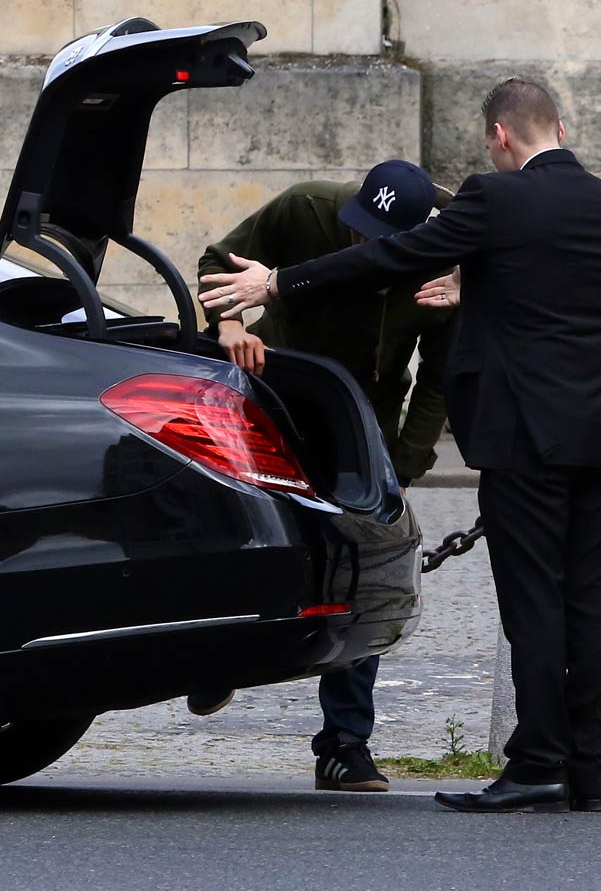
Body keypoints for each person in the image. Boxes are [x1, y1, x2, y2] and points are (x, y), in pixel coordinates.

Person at [201, 79, 601, 814]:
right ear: (562, 126)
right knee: (593, 603)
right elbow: (555, 299)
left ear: (500, 137)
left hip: (524, 435)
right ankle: (589, 769)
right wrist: (475, 292)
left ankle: (537, 759)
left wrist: (280, 280)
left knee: (535, 600)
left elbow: (392, 257)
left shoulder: (493, 197)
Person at [191, 160, 457, 794]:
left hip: (365, 423)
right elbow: (217, 260)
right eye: (359, 231)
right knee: (246, 536)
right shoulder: (307, 206)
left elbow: (439, 375)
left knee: (361, 573)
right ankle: (214, 652)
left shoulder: (445, 259)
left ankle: (344, 744)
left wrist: (404, 461)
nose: (365, 246)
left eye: (381, 240)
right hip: (277, 394)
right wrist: (230, 325)